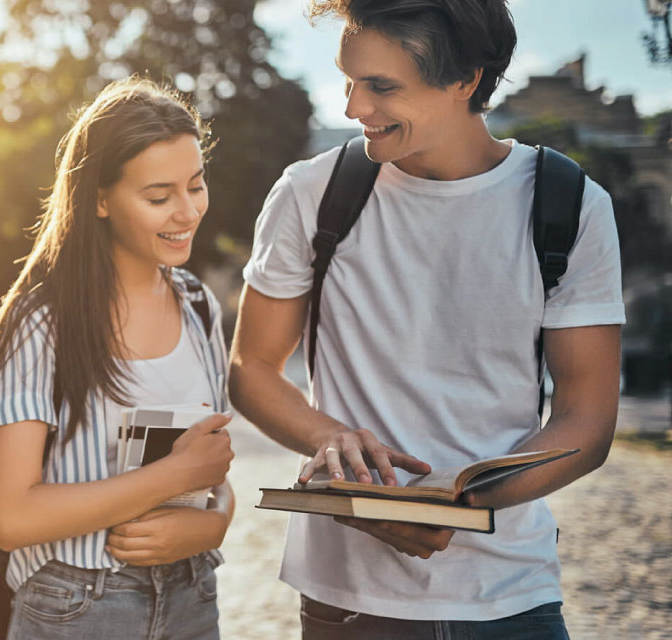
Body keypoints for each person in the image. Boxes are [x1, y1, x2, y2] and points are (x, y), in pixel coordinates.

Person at [229, 1, 624, 637]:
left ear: (466, 78)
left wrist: (462, 503)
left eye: (382, 87)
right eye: (349, 80)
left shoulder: (569, 205)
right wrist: (330, 439)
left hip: (511, 598)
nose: (354, 109)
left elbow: (587, 420)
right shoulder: (311, 194)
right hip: (348, 601)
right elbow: (251, 368)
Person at [0, 77, 236, 640]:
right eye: (158, 197)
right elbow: (11, 517)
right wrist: (171, 476)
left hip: (193, 597)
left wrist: (213, 523)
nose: (187, 212)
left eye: (196, 186)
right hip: (77, 608)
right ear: (98, 198)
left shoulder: (198, 305)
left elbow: (211, 470)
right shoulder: (42, 322)